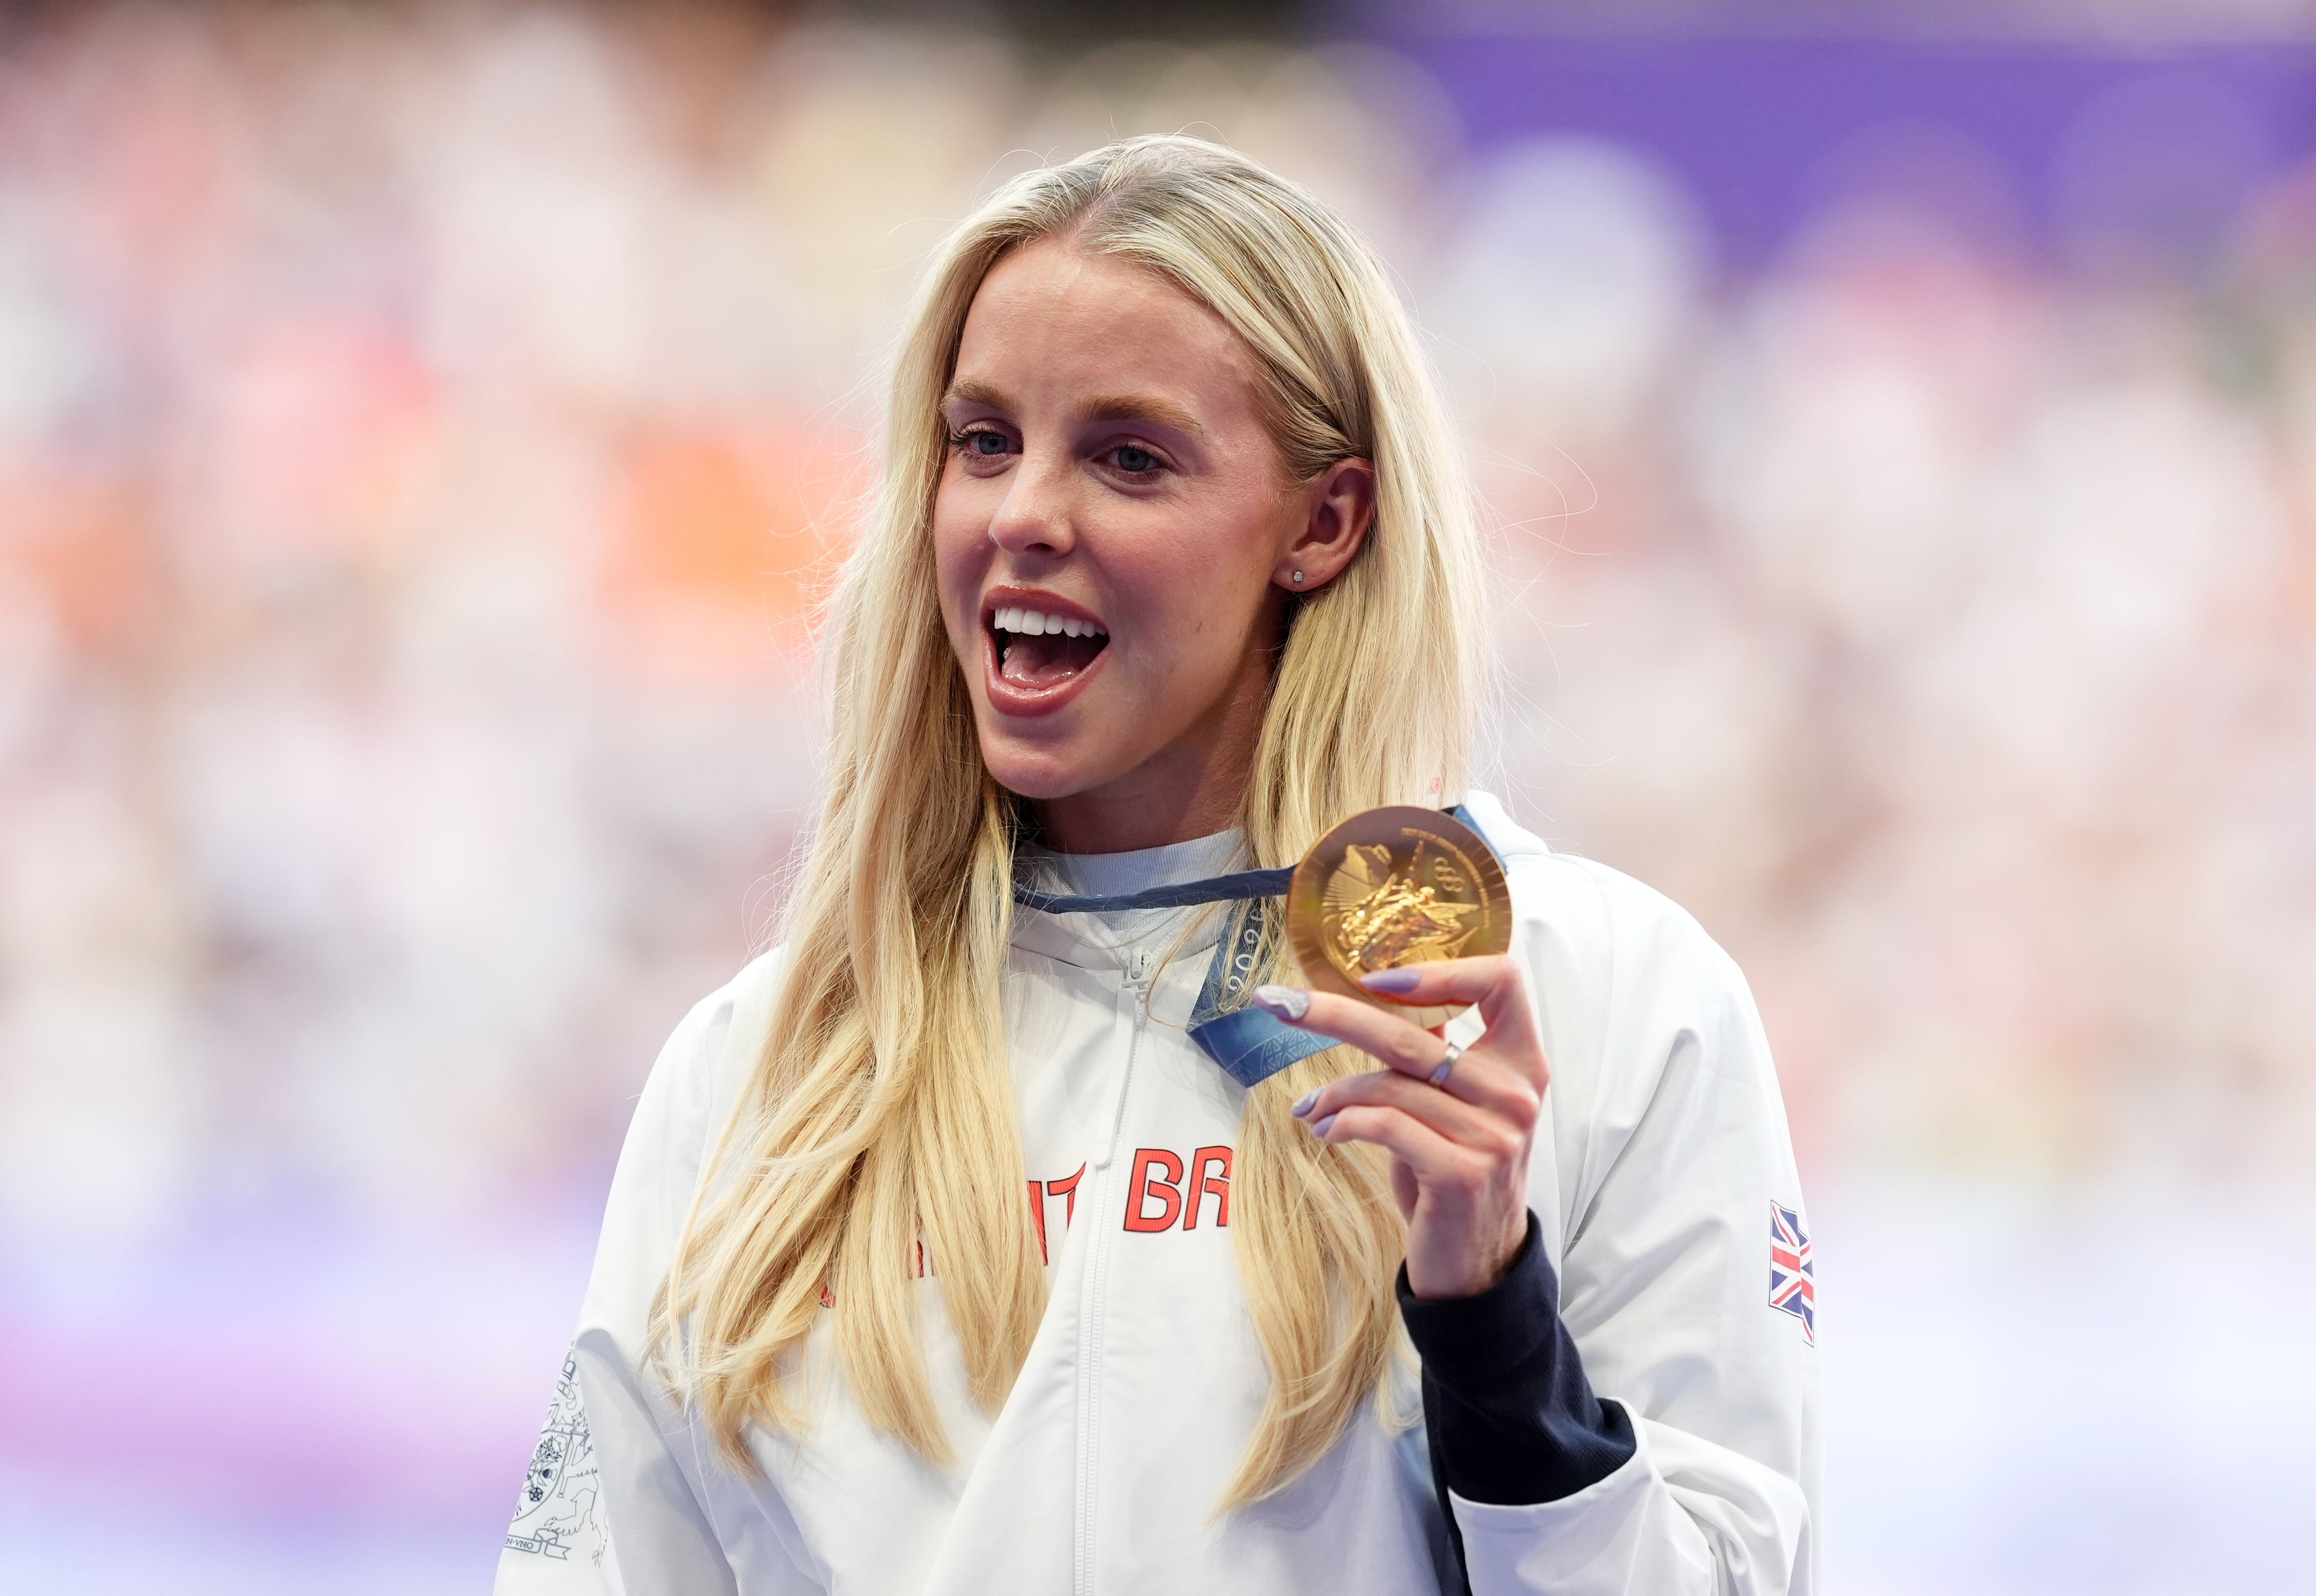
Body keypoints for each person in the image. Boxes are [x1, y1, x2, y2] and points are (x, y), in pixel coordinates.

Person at [495, 134, 1819, 1596]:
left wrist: (1500, 1330)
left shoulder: (1592, 998)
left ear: (1324, 523)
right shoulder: (766, 1067)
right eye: (983, 441)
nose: (1023, 517)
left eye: (1129, 457)